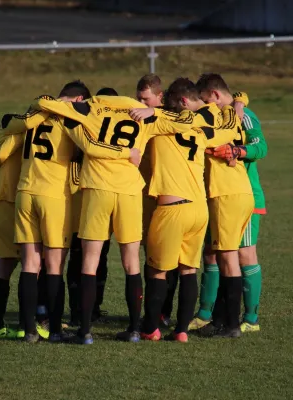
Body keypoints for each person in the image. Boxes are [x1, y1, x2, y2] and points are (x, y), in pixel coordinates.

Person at [34, 93, 210, 344]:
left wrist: (66, 102)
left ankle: (84, 332)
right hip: (129, 191)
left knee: (90, 260)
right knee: (131, 264)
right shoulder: (141, 114)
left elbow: (42, 103)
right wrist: (153, 111)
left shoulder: (90, 109)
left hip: (98, 188)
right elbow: (186, 121)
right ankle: (135, 330)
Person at [0, 81, 140, 343]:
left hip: (25, 193)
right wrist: (127, 153)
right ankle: (56, 330)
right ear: (77, 100)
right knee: (54, 266)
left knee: (30, 264)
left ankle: (29, 331)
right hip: (54, 196)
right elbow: (92, 147)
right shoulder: (68, 120)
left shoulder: (33, 118)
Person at [131, 78, 241, 342]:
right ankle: (181, 331)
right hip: (199, 209)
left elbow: (135, 146)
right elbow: (228, 130)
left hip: (171, 209)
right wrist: (238, 103)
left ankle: (150, 329)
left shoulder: (156, 124)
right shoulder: (201, 129)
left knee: (157, 271)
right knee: (188, 270)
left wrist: (150, 113)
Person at [0, 98, 50, 339]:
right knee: (31, 265)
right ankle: (25, 323)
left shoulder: (11, 130)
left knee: (6, 264)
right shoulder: (18, 131)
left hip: (0, 201)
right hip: (11, 202)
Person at [196, 73, 254, 338]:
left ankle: (232, 325)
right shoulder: (232, 116)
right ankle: (219, 320)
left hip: (225, 195)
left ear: (214, 97)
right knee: (222, 257)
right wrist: (240, 101)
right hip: (241, 192)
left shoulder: (209, 120)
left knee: (228, 259)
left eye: (204, 100)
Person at [210, 93, 267, 333]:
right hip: (220, 196)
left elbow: (260, 147)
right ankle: (208, 314)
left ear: (214, 95)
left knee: (245, 255)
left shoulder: (245, 116)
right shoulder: (216, 115)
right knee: (214, 254)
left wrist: (237, 151)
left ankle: (251, 319)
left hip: (245, 196)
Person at [66, 87, 119, 327]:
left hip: (83, 201)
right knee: (96, 258)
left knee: (82, 258)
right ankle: (88, 310)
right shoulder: (95, 128)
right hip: (91, 201)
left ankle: (84, 310)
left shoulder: (88, 123)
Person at [136, 74, 178, 328]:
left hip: (166, 197)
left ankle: (163, 313)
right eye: (138, 97)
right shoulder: (138, 117)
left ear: (160, 97)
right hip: (144, 198)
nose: (141, 102)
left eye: (146, 98)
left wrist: (240, 100)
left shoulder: (170, 117)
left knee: (168, 258)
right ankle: (151, 312)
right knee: (150, 258)